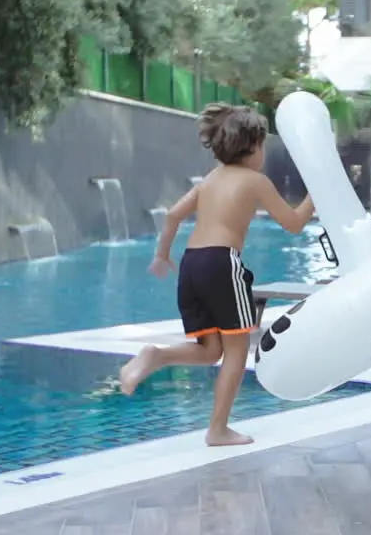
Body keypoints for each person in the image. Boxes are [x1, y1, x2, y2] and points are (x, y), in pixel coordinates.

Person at [118, 103, 315, 447]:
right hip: (223, 263)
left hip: (192, 263)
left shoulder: (209, 181)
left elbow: (172, 216)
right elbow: (295, 224)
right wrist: (317, 193)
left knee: (211, 351)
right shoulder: (256, 181)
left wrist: (163, 254)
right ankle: (218, 429)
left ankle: (156, 355)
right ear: (252, 145)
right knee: (237, 349)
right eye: (264, 145)